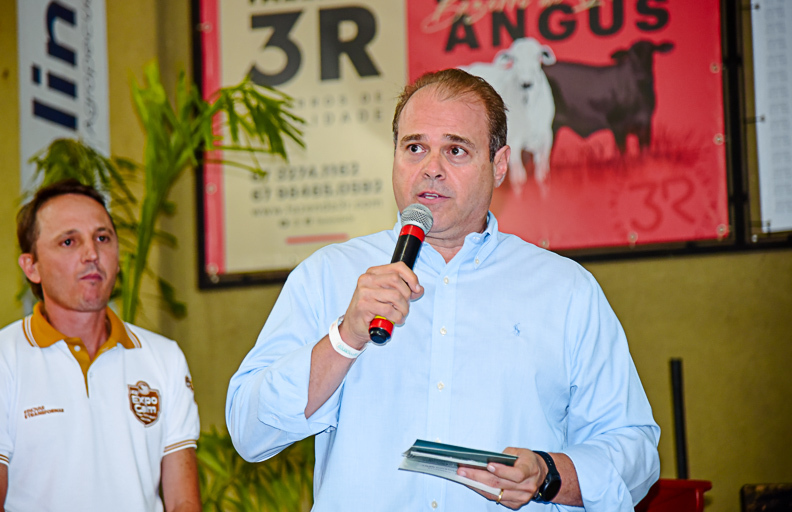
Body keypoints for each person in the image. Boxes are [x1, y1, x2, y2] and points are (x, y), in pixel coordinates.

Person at [226, 69, 660, 511]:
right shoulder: (327, 275)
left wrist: (549, 474)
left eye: (455, 150)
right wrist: (344, 338)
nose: (431, 169)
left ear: (500, 165)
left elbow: (635, 451)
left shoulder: (565, 289)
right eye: (415, 147)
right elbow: (249, 432)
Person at [0, 179, 201, 512]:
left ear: (118, 258)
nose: (92, 254)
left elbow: (183, 501)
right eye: (69, 241)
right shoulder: (6, 359)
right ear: (31, 267)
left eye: (102, 238)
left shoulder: (164, 358)